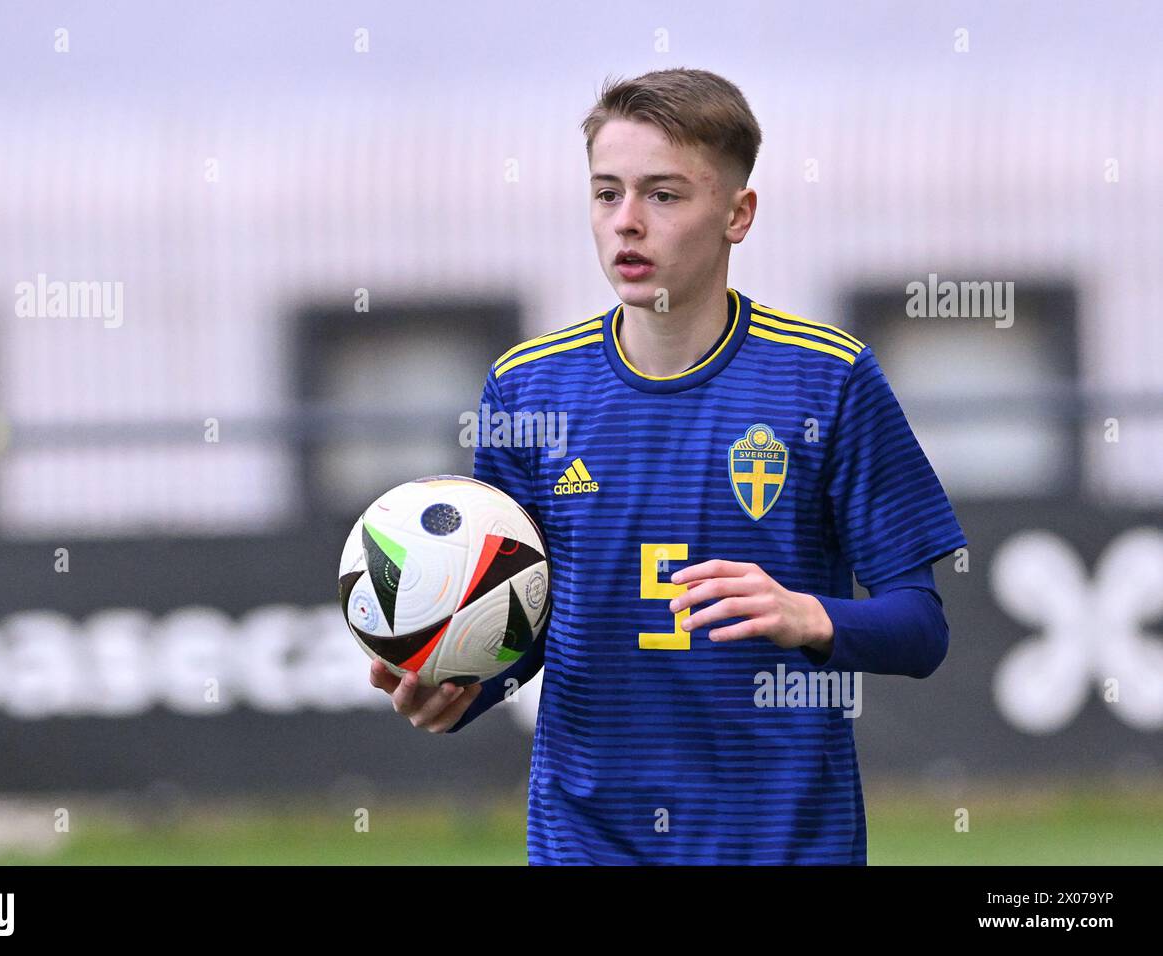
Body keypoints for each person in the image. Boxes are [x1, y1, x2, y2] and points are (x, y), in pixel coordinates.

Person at [369, 67, 967, 864]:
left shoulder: (828, 378)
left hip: (785, 843)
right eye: (606, 192)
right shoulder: (527, 387)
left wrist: (809, 616)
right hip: (587, 841)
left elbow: (921, 628)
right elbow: (526, 627)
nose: (627, 224)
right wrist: (461, 688)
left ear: (737, 214)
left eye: (663, 195)